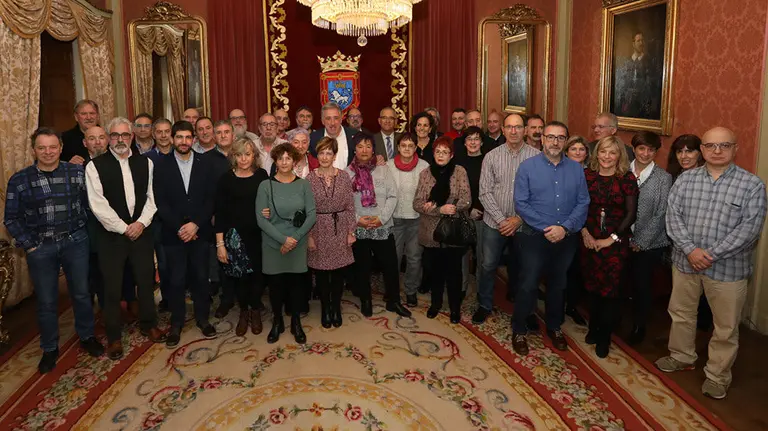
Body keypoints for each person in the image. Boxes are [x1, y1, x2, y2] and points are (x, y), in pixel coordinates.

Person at [656, 127, 766, 400]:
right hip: (685, 263)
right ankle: (681, 356)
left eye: (724, 145)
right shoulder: (685, 180)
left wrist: (710, 254)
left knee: (725, 328)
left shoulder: (751, 185)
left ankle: (717, 376)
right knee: (681, 313)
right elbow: (673, 217)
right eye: (710, 146)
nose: (717, 151)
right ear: (703, 149)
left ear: (735, 149)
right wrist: (691, 250)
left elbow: (749, 230)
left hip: (728, 270)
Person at [5, 127, 104, 373]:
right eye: (42, 147)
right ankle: (49, 348)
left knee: (81, 293)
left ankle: (87, 336)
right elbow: (11, 219)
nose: (48, 152)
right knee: (47, 301)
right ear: (34, 150)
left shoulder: (77, 173)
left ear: (61, 148)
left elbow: (90, 205)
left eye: (52, 147)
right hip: (41, 248)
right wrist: (30, 245)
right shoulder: (19, 180)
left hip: (75, 241)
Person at [85, 117, 165, 360]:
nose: (120, 139)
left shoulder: (145, 163)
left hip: (141, 232)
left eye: (125, 135)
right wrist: (123, 228)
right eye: (115, 135)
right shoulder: (95, 166)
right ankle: (114, 337)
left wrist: (141, 223)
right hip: (111, 237)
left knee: (146, 281)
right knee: (112, 287)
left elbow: (152, 198)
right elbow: (98, 205)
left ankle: (149, 323)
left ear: (132, 137)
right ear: (109, 138)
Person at [513, 121, 590, 355]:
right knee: (528, 283)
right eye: (551, 137)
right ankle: (519, 329)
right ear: (543, 139)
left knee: (558, 284)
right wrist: (548, 228)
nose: (555, 142)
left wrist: (564, 228)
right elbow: (521, 203)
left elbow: (583, 202)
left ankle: (554, 327)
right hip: (534, 236)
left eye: (560, 137)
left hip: (565, 237)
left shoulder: (576, 169)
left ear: (565, 141)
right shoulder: (527, 167)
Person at [153, 120, 219, 348]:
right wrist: (180, 228)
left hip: (199, 232)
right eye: (179, 137)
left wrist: (196, 225)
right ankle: (176, 323)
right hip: (174, 234)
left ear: (194, 139)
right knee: (176, 280)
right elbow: (160, 201)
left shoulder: (205, 163)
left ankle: (203, 319)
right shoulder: (160, 165)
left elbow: (211, 199)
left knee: (201, 277)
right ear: (172, 139)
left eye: (188, 137)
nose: (183, 141)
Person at [473, 113, 540, 324]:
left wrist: (518, 219)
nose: (513, 131)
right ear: (503, 130)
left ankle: (528, 311)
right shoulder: (491, 156)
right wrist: (502, 220)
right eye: (509, 127)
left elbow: (539, 194)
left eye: (518, 127)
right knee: (488, 265)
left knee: (527, 268)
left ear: (525, 130)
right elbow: (484, 192)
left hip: (525, 224)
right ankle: (484, 305)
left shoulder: (537, 158)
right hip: (494, 223)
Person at [580, 135, 638, 358]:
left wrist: (610, 239)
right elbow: (578, 205)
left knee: (610, 292)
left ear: (619, 156)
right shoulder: (587, 175)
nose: (607, 156)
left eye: (612, 152)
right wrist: (585, 233)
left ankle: (604, 336)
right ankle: (594, 328)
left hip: (616, 242)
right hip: (589, 238)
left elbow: (631, 214)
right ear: (597, 153)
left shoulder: (627, 178)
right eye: (603, 151)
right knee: (592, 287)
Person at [346, 133, 412, 318]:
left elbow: (393, 195)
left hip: (382, 226)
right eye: (360, 146)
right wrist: (358, 219)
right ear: (354, 150)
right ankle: (365, 300)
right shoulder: (347, 173)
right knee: (363, 267)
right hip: (360, 226)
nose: (364, 150)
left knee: (390, 265)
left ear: (373, 149)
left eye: (368, 146)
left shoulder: (383, 169)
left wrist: (381, 219)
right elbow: (345, 202)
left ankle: (394, 301)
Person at [256, 144, 317, 344]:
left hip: (297, 242)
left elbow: (311, 215)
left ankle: (295, 322)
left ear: (294, 161)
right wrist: (283, 240)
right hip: (273, 243)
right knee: (275, 286)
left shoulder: (304, 185)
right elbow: (261, 219)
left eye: (288, 158)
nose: (284, 162)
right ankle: (277, 321)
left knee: (296, 285)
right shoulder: (265, 186)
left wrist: (294, 239)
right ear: (275, 161)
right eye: (280, 158)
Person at [215, 137, 270, 336]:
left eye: (247, 154)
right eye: (239, 155)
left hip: (260, 235)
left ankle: (255, 310)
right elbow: (220, 214)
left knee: (258, 276)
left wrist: (269, 211)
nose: (244, 159)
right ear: (233, 157)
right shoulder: (225, 179)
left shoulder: (262, 175)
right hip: (235, 238)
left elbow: (270, 202)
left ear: (254, 155)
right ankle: (244, 312)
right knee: (240, 279)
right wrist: (220, 244)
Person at [413, 137, 471, 323]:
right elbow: (417, 203)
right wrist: (439, 210)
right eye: (438, 151)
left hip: (453, 231)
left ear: (451, 155)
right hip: (431, 232)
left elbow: (466, 199)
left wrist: (447, 206)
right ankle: (435, 304)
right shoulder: (425, 174)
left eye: (445, 152)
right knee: (435, 271)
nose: (441, 155)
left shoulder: (459, 171)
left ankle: (455, 309)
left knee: (454, 273)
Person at [626, 131, 672, 345]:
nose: (645, 153)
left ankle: (639, 325)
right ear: (634, 149)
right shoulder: (622, 170)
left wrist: (641, 241)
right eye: (641, 148)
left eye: (651, 150)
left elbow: (661, 213)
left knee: (642, 285)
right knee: (621, 281)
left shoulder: (663, 178)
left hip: (650, 242)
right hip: (620, 238)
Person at [307, 137, 357, 327]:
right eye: (322, 153)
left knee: (338, 273)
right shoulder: (309, 179)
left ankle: (336, 307)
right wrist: (309, 236)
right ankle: (325, 308)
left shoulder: (343, 177)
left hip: (340, 227)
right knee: (321, 273)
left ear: (335, 155)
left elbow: (350, 206)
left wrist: (351, 231)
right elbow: (306, 209)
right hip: (318, 228)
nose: (325, 157)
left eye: (329, 153)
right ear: (317, 155)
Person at [665, 133, 712, 330]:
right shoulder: (673, 176)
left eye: (689, 151)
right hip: (677, 245)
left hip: (705, 247)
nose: (684, 156)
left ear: (700, 152)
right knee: (682, 302)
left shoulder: (710, 177)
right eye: (679, 152)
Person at [387, 133, 429, 306]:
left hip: (416, 219)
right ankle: (392, 291)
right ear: (398, 147)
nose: (406, 149)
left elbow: (429, 191)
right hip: (394, 219)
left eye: (410, 145)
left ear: (415, 147)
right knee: (393, 258)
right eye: (403, 145)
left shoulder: (424, 166)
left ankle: (411, 290)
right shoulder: (388, 166)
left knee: (414, 258)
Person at [455, 127, 488, 294]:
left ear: (481, 142)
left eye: (476, 139)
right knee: (461, 254)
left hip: (483, 215)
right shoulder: (458, 162)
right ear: (464, 142)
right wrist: (467, 209)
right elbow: (454, 189)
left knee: (482, 256)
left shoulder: (488, 160)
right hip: (462, 214)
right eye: (469, 139)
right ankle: (462, 288)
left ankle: (482, 290)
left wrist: (479, 208)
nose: (473, 142)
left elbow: (491, 188)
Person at [563, 135, 591, 326]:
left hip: (586, 228)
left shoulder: (591, 173)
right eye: (573, 149)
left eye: (581, 149)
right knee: (561, 269)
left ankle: (571, 306)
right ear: (566, 152)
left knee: (577, 270)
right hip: (564, 226)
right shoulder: (560, 171)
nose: (578, 152)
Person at [309, 102, 358, 169]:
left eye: (336, 118)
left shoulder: (355, 136)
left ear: (341, 119)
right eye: (328, 118)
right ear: (322, 121)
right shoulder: (314, 138)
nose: (332, 123)